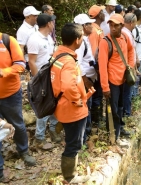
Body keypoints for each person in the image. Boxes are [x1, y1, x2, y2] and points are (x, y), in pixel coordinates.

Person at [50, 23, 89, 183]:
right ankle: (70, 177)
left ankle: (70, 172)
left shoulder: (58, 54)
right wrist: (77, 99)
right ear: (77, 40)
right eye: (82, 38)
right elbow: (67, 84)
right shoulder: (68, 61)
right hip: (72, 110)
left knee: (71, 141)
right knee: (73, 144)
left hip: (62, 106)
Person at [0, 32, 36, 171]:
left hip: (10, 94)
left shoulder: (8, 41)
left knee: (17, 124)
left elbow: (21, 64)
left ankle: (24, 151)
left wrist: (4, 71)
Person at [27, 14, 61, 148]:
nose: (54, 24)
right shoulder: (35, 39)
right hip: (42, 78)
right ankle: (39, 138)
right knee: (43, 106)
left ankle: (53, 129)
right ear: (48, 24)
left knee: (54, 102)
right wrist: (38, 81)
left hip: (52, 76)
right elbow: (31, 61)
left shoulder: (48, 38)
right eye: (53, 22)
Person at [99, 14, 135, 140]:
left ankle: (119, 128)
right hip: (112, 80)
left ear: (122, 26)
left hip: (124, 78)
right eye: (111, 25)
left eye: (116, 25)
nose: (112, 28)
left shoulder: (125, 37)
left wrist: (130, 66)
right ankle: (112, 133)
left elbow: (131, 50)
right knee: (113, 109)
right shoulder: (105, 42)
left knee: (121, 106)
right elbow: (102, 66)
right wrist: (105, 87)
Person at [74, 14, 97, 142]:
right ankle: (82, 136)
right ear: (83, 26)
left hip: (89, 76)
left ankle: (86, 132)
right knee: (85, 106)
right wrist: (85, 80)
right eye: (89, 24)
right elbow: (77, 62)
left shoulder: (86, 39)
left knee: (88, 105)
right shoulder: (80, 42)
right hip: (84, 79)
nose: (91, 26)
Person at [88, 5, 105, 124]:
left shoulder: (96, 28)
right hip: (95, 69)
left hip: (96, 67)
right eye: (102, 12)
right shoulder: (94, 31)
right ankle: (96, 119)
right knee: (97, 93)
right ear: (99, 15)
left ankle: (97, 117)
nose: (104, 14)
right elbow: (94, 52)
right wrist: (99, 69)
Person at [121, 13, 138, 120]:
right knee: (127, 91)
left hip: (126, 66)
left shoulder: (124, 32)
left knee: (126, 91)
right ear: (132, 23)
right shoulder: (125, 34)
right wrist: (133, 67)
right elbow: (129, 52)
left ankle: (126, 111)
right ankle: (126, 113)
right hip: (127, 67)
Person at [132, 9, 141, 97]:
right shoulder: (134, 30)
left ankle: (135, 94)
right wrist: (135, 58)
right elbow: (132, 45)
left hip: (140, 57)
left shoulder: (138, 29)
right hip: (137, 58)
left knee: (137, 77)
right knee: (135, 77)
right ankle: (134, 95)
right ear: (140, 17)